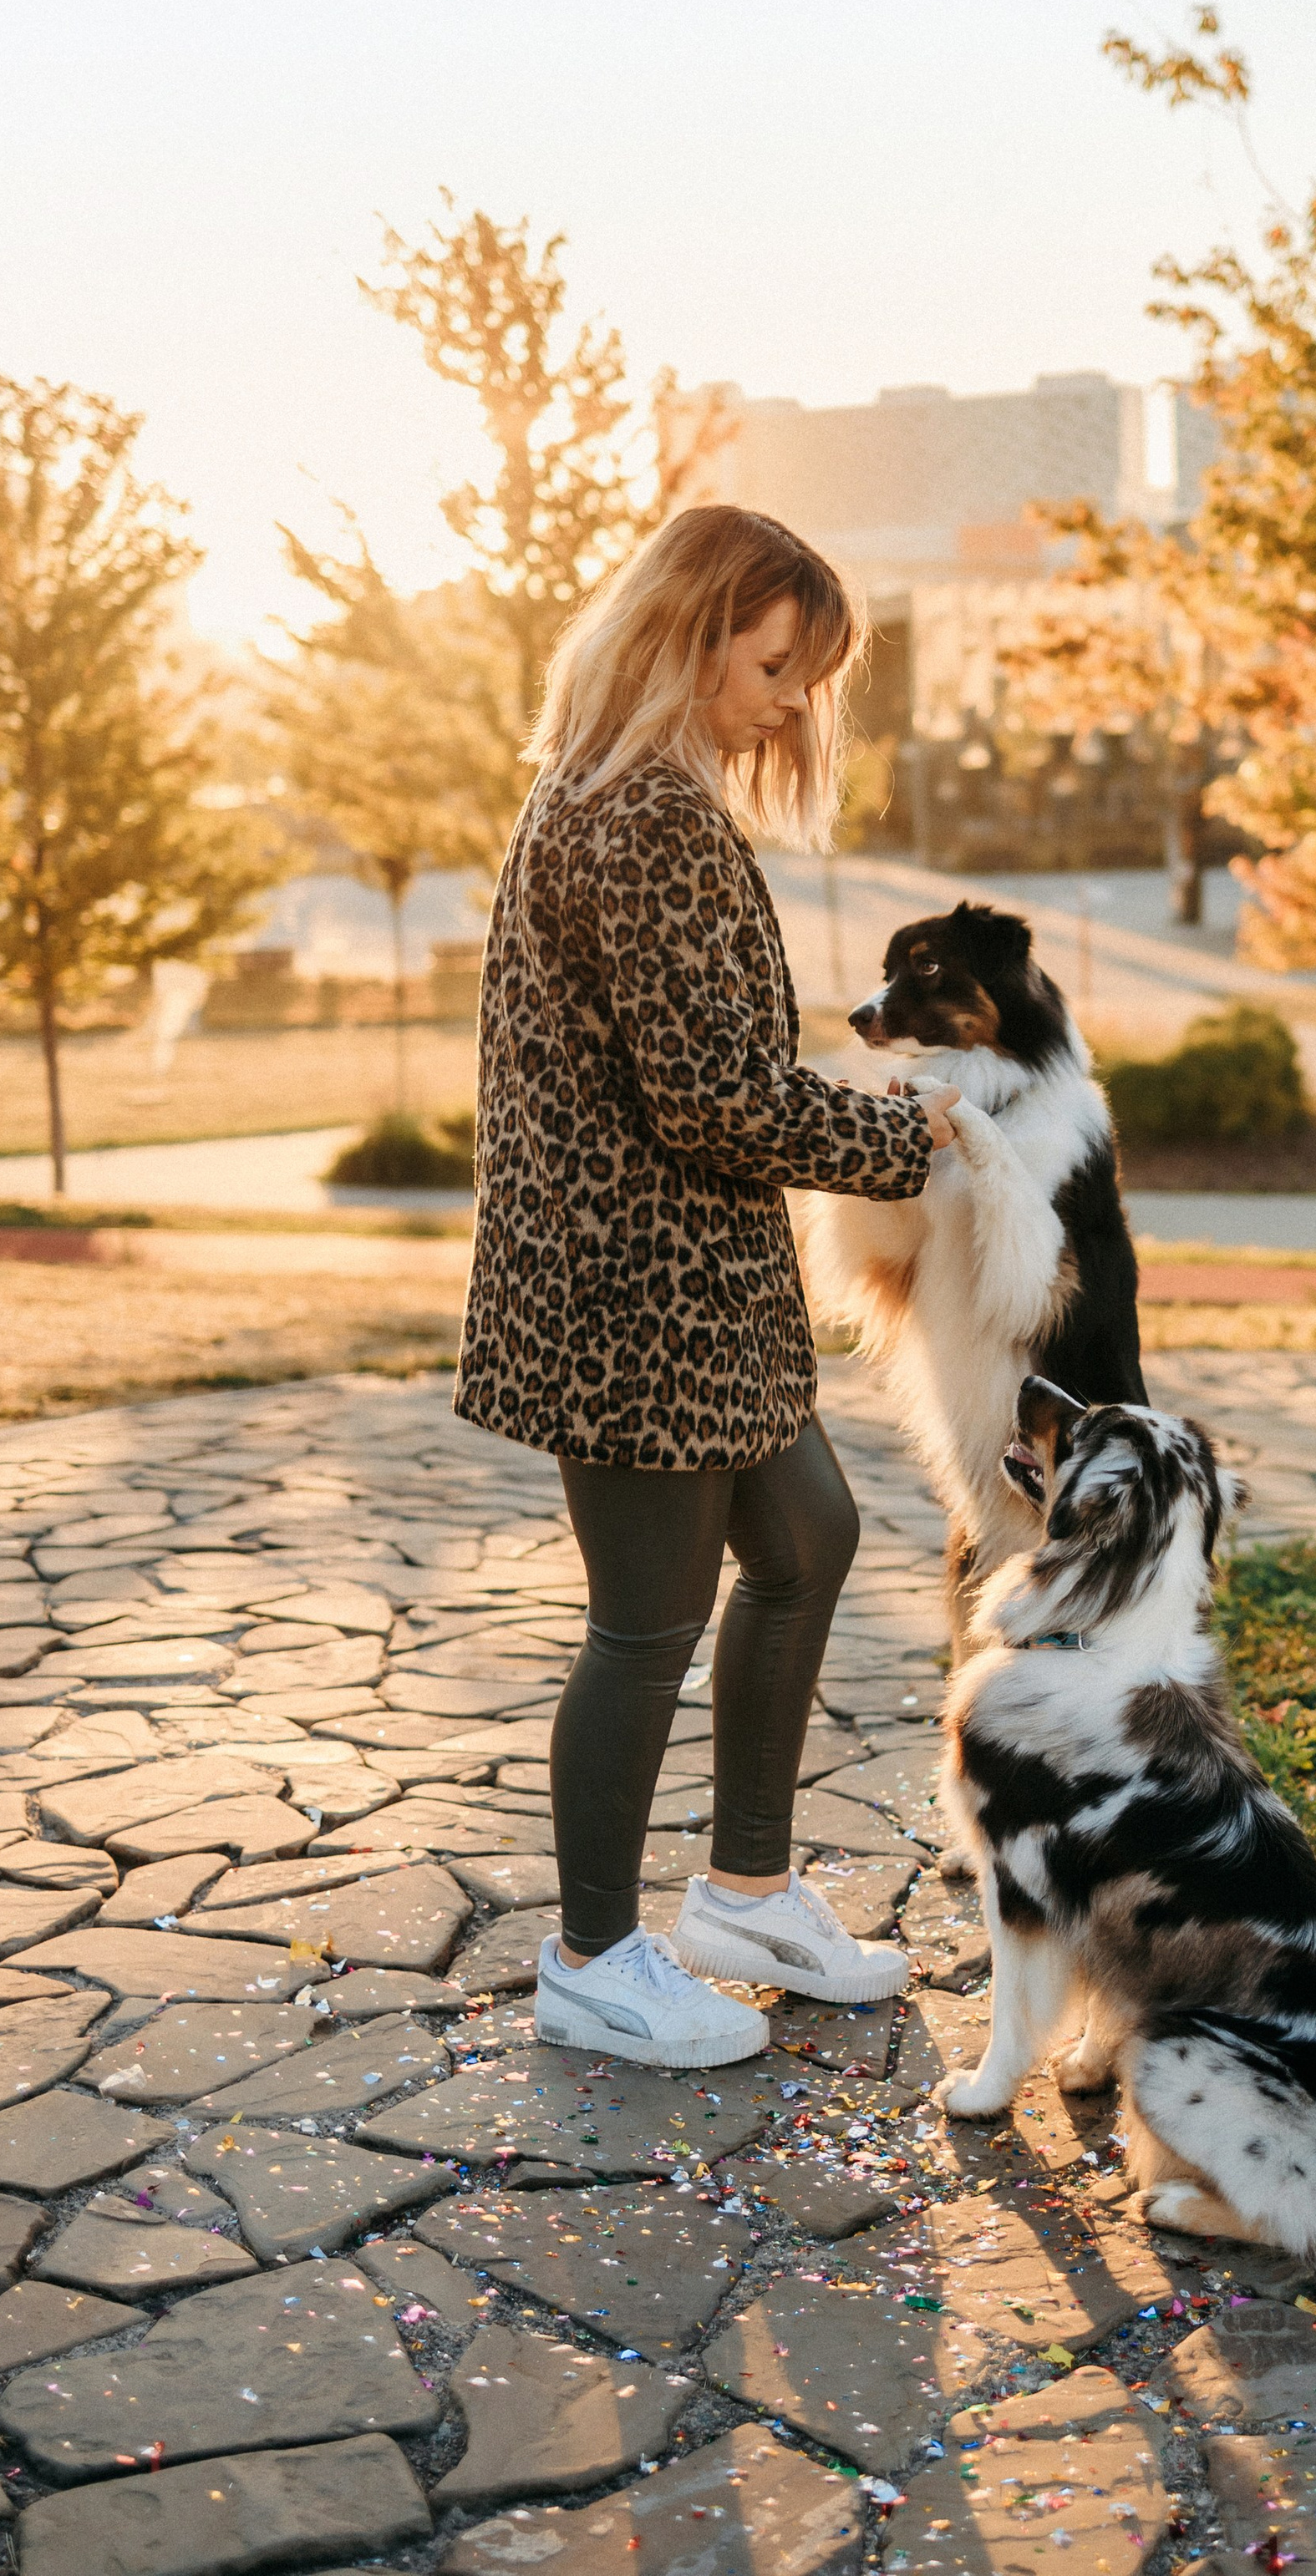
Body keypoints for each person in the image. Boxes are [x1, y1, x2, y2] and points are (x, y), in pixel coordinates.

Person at [456, 503, 958, 2066]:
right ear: (688, 636)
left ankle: (743, 1892)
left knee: (808, 1536)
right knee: (648, 1617)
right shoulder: (636, 821)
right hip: (630, 1294)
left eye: (804, 673)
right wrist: (911, 1141)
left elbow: (716, 1075)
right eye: (772, 663)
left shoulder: (633, 795)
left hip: (698, 1276)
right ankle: (594, 1958)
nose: (789, 701)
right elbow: (719, 1101)